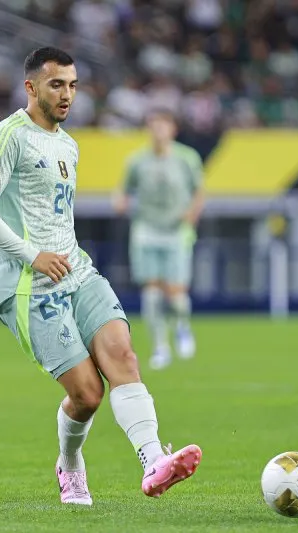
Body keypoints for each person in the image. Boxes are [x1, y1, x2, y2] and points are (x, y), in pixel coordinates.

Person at [0, 47, 202, 507]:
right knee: (88, 394)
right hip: (28, 285)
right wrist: (32, 255)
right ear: (31, 87)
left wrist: (61, 256)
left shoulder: (69, 144)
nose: (68, 94)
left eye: (72, 85)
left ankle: (154, 460)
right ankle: (69, 465)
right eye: (57, 84)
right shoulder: (7, 137)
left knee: (124, 355)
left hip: (78, 271)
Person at [113, 109, 205, 370]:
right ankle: (160, 347)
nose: (158, 131)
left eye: (162, 126)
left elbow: (199, 191)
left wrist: (191, 214)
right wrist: (120, 201)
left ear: (172, 129)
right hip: (146, 228)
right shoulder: (137, 161)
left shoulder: (186, 158)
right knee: (152, 292)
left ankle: (182, 326)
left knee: (176, 295)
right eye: (153, 126)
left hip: (176, 230)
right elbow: (123, 188)